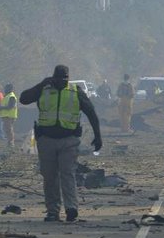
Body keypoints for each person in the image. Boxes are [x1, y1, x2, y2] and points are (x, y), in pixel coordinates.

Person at [20, 65, 102, 222]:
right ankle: (53, 211)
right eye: (59, 79)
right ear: (53, 77)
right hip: (46, 140)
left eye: (65, 79)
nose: (62, 82)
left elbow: (91, 112)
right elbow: (23, 99)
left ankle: (71, 208)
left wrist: (98, 136)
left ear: (69, 78)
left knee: (67, 173)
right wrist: (41, 84)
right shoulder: (43, 89)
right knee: (49, 177)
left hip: (69, 140)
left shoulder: (75, 91)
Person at [0, 83, 18, 148]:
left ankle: (11, 143)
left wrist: (1, 108)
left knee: (9, 130)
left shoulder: (11, 96)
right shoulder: (7, 96)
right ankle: (10, 142)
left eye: (6, 88)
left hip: (9, 116)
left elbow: (10, 106)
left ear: (10, 89)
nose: (5, 89)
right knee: (7, 130)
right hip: (7, 116)